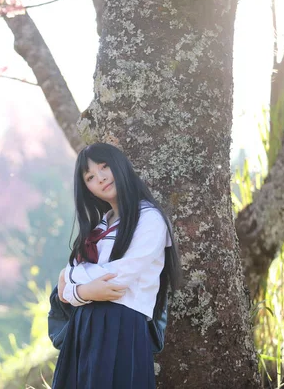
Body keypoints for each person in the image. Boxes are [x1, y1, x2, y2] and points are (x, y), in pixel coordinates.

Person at [52, 142, 182, 389]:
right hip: (84, 328)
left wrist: (72, 283)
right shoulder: (100, 225)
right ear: (86, 188)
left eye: (104, 167)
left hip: (122, 326)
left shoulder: (150, 219)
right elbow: (66, 288)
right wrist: (81, 290)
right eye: (90, 177)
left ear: (120, 165)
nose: (100, 178)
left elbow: (119, 278)